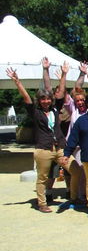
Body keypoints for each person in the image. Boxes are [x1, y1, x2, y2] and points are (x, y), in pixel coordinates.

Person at [7, 62, 67, 213]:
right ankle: (42, 203)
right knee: (42, 177)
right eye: (43, 99)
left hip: (59, 147)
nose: (46, 101)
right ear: (39, 101)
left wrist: (64, 75)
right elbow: (26, 97)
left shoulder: (55, 108)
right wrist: (17, 82)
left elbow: (60, 93)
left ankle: (75, 196)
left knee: (73, 168)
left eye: (48, 99)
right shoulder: (36, 112)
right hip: (43, 149)